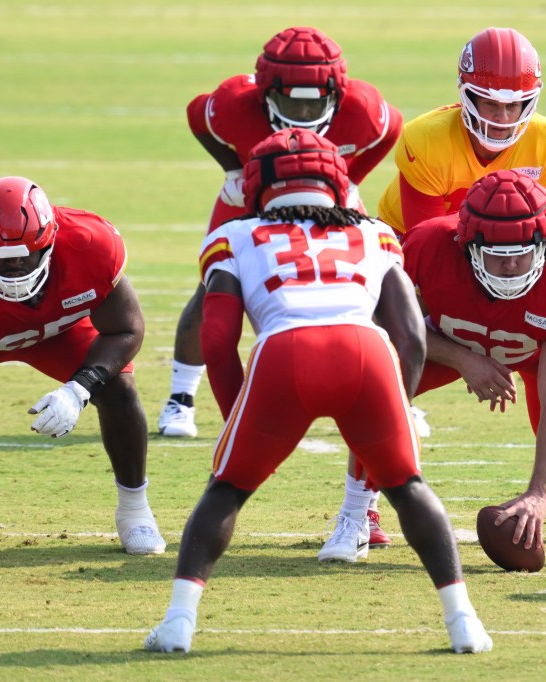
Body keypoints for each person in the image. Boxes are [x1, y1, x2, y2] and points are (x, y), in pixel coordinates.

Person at [144, 128, 492, 654]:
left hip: (285, 353)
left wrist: (238, 413)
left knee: (226, 489)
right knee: (407, 486)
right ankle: (464, 621)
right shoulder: (375, 233)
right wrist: (401, 398)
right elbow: (411, 336)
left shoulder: (234, 236)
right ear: (338, 182)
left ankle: (177, 623)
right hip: (367, 353)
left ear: (259, 185)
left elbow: (216, 338)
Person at [325, 26, 546, 549]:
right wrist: (469, 354)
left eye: (516, 106)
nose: (503, 117)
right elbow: (428, 245)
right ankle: (362, 508)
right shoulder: (426, 140)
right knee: (388, 366)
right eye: (489, 102)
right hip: (416, 254)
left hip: (503, 256)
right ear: (463, 92)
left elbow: (538, 235)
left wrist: (519, 317)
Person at [321, 170, 546, 565]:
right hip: (458, 340)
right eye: (498, 257)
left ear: (545, 245)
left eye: (523, 254)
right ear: (468, 247)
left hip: (539, 343)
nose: (512, 267)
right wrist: (465, 359)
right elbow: (389, 329)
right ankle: (355, 514)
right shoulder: (429, 245)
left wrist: (538, 493)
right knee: (379, 373)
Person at [157, 25, 403, 441]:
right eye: (291, 102)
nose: (305, 115)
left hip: (329, 199)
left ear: (337, 94)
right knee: (211, 293)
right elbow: (197, 115)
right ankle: (181, 398)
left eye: (315, 105)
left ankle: (396, 397)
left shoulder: (362, 109)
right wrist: (234, 169)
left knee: (373, 287)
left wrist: (352, 180)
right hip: (249, 197)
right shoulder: (235, 103)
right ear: (263, 92)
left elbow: (390, 129)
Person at [0, 176, 166, 562]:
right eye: (3, 257)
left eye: (25, 255)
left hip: (59, 329)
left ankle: (135, 509)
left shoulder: (91, 242)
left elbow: (126, 329)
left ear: (50, 240)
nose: (15, 266)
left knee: (118, 388)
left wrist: (79, 389)